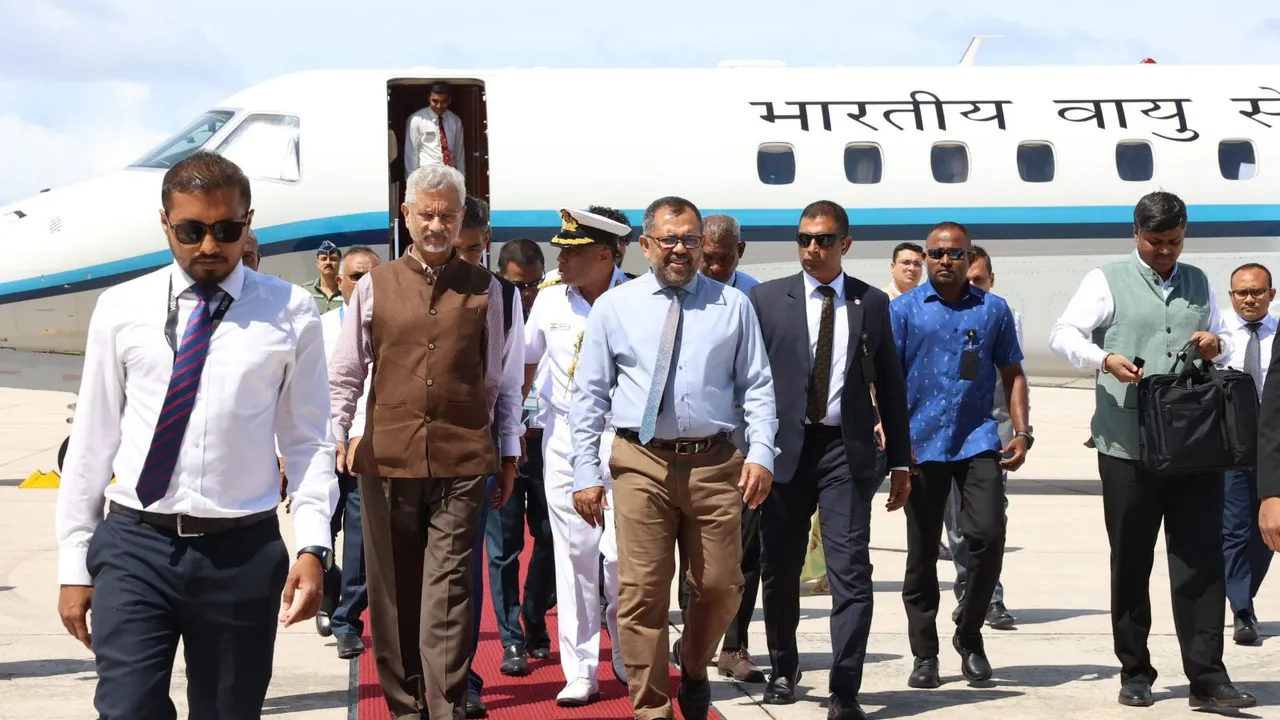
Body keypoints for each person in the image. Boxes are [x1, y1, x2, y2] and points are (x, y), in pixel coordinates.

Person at [54, 150, 337, 719]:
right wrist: (73, 564)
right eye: (190, 230)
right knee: (127, 710)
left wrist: (312, 545)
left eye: (227, 230)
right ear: (165, 223)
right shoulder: (120, 308)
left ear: (248, 222)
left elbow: (308, 441)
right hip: (136, 544)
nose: (209, 246)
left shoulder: (291, 312)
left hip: (241, 551)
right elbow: (92, 441)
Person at [569, 196, 778, 720]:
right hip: (641, 462)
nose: (680, 249)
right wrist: (584, 473)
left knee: (719, 585)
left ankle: (695, 663)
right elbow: (589, 395)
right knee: (641, 592)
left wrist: (763, 454)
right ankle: (652, 709)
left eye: (689, 239)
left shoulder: (733, 307)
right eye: (669, 240)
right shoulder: (615, 308)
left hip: (714, 462)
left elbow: (757, 386)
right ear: (645, 246)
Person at [329, 164, 523, 720]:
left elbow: (500, 382)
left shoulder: (490, 292)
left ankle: (445, 704)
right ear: (406, 217)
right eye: (427, 213)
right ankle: (404, 705)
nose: (437, 225)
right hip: (387, 458)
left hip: (463, 458)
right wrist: (336, 440)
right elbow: (346, 373)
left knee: (451, 589)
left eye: (448, 214)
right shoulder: (374, 286)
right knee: (392, 591)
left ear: (464, 219)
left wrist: (507, 450)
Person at [1048, 191, 1254, 710]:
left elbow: (1225, 336)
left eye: (1175, 242)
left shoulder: (1199, 281)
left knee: (1199, 561)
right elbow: (1063, 333)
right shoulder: (1105, 280)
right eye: (1157, 242)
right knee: (1132, 560)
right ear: (1135, 234)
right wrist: (1104, 357)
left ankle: (1207, 676)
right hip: (1127, 447)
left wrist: (1215, 343)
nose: (1166, 252)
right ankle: (1135, 669)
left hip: (1192, 446)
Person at [750, 201, 912, 720]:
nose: (812, 249)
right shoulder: (766, 300)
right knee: (779, 569)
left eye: (823, 240)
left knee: (851, 571)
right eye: (804, 239)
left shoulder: (871, 302)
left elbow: (889, 384)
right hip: (782, 452)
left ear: (845, 244)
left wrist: (902, 463)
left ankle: (845, 688)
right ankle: (782, 666)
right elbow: (746, 383)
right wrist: (745, 452)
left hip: (847, 450)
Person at [892, 221, 1031, 690]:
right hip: (920, 443)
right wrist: (889, 433)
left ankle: (969, 635)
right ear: (926, 258)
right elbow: (883, 380)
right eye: (937, 253)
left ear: (969, 258)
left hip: (978, 441)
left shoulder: (993, 310)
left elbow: (1012, 372)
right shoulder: (905, 311)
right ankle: (924, 653)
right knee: (922, 552)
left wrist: (1023, 432)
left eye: (956, 254)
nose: (946, 261)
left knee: (988, 536)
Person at [525, 208, 633, 705]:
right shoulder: (549, 302)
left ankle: (628, 649)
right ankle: (581, 667)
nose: (561, 258)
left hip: (625, 440)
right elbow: (525, 364)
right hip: (567, 438)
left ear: (605, 255)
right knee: (575, 558)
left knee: (622, 560)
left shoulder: (639, 299)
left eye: (572, 250)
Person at [454, 195, 528, 718]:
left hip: (474, 455)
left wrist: (507, 454)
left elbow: (507, 387)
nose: (466, 261)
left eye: (476, 250)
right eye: (458, 250)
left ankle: (464, 679)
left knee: (465, 572)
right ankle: (425, 674)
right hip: (409, 456)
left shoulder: (502, 294)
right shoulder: (398, 283)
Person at [485, 238, 556, 672]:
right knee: (504, 547)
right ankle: (512, 638)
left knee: (551, 537)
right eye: (517, 284)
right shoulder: (492, 309)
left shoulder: (556, 308)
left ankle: (534, 611)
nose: (525, 294)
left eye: (532, 285)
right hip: (504, 444)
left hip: (548, 442)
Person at [942, 245, 1019, 630]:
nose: (971, 286)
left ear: (991, 280)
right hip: (945, 438)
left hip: (991, 434)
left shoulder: (1001, 316)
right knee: (958, 527)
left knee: (990, 523)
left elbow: (1014, 381)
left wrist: (1020, 432)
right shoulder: (934, 315)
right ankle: (970, 593)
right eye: (966, 279)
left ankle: (990, 595)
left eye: (979, 280)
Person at [313, 245, 380, 658]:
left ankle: (347, 622)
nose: (364, 285)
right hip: (320, 446)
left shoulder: (389, 328)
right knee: (319, 538)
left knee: (358, 542)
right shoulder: (318, 327)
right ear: (339, 283)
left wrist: (357, 438)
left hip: (364, 448)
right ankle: (328, 587)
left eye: (371, 276)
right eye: (356, 277)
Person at [1219, 263, 1275, 645]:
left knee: (1268, 529)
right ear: (1232, 296)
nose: (1249, 299)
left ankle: (1245, 592)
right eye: (1242, 293)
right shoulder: (1220, 335)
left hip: (1273, 446)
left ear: (1272, 294)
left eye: (1257, 292)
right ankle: (1241, 608)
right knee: (1234, 528)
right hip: (1232, 446)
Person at [404, 82, 466, 178]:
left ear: (450, 100)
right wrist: (412, 183)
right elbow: (411, 153)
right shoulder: (416, 119)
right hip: (426, 176)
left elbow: (460, 153)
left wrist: (462, 179)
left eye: (443, 101)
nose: (439, 105)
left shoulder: (455, 121)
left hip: (450, 176)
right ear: (429, 98)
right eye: (435, 101)